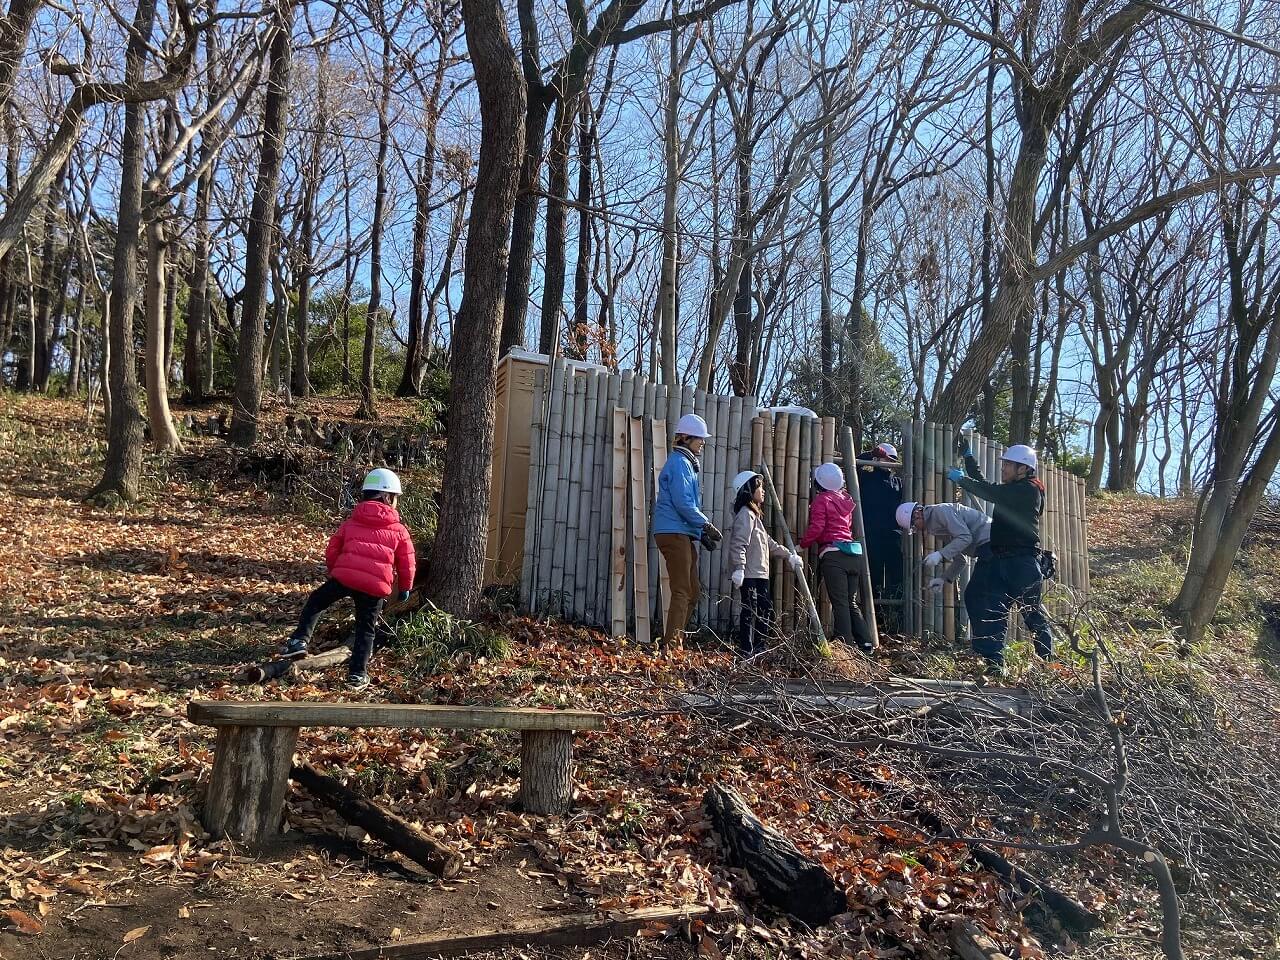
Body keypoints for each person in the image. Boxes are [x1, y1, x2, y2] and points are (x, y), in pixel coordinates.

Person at [281, 468, 416, 690]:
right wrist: (405, 588)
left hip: (345, 578)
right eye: (395, 498)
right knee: (366, 628)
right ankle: (357, 675)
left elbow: (333, 549)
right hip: (375, 587)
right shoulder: (399, 530)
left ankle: (299, 641)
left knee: (317, 600)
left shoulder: (351, 522)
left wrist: (337, 571)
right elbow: (407, 561)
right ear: (386, 496)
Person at [946, 444, 1052, 672]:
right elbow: (988, 487)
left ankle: (1048, 662)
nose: (1003, 468)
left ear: (1023, 468)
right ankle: (993, 662)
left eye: (1008, 465)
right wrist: (969, 458)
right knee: (980, 599)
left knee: (1031, 612)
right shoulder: (1014, 488)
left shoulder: (1029, 490)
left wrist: (962, 480)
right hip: (999, 559)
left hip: (1022, 562)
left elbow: (990, 492)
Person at [653, 414, 720, 646]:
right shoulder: (680, 463)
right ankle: (670, 646)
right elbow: (683, 503)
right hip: (673, 531)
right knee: (682, 589)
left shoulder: (686, 463)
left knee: (692, 591)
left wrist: (701, 535)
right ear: (686, 438)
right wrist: (705, 525)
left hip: (679, 531)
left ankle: (676, 641)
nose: (702, 442)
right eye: (700, 438)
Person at [799, 462, 876, 653]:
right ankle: (865, 642)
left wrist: (802, 545)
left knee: (840, 602)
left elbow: (817, 528)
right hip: (853, 554)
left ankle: (845, 644)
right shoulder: (846, 500)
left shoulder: (821, 500)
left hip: (834, 556)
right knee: (850, 601)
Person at [726, 471, 802, 656]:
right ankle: (747, 649)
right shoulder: (745, 515)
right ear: (748, 490)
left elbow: (769, 543)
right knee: (750, 610)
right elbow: (738, 542)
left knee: (764, 610)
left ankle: (759, 647)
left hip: (760, 573)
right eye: (759, 487)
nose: (763, 491)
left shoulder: (755, 516)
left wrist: (788, 555)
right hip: (749, 573)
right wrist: (739, 568)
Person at [895, 499, 991, 621]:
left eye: (914, 526)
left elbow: (965, 538)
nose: (917, 530)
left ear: (917, 514)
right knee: (976, 595)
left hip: (991, 544)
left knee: (976, 596)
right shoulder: (934, 526)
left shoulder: (941, 511)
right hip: (986, 549)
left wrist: (940, 554)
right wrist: (943, 578)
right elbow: (960, 560)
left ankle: (985, 637)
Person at [857, 442, 904, 619]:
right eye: (886, 458)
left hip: (893, 535)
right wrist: (871, 453)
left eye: (892, 459)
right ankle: (877, 618)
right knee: (874, 576)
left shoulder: (898, 482)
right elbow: (855, 463)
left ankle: (897, 617)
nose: (889, 462)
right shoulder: (866, 477)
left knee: (897, 576)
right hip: (871, 535)